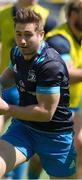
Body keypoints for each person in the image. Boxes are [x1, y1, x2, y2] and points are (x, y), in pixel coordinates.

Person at [0, 8, 76, 179]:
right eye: (18, 34)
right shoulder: (17, 52)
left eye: (28, 35)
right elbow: (9, 77)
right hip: (24, 129)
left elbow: (45, 113)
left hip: (56, 137)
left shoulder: (51, 66)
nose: (22, 41)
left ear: (41, 34)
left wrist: (6, 108)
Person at [45, 0, 82, 178]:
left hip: (75, 107)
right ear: (73, 14)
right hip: (53, 109)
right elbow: (68, 74)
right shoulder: (58, 39)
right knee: (40, 158)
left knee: (79, 145)